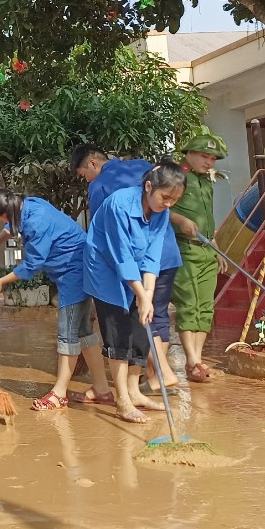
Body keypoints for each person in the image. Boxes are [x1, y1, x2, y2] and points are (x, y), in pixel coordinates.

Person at [0, 189, 112, 411]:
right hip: (73, 269)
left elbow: (32, 265)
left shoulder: (37, 222)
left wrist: (1, 282)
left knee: (67, 333)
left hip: (74, 271)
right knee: (82, 333)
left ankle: (59, 394)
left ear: (6, 212)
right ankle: (102, 389)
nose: (1, 223)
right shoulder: (28, 203)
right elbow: (12, 225)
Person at [71, 143, 183, 391]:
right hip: (106, 271)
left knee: (140, 332)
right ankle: (122, 399)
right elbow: (122, 255)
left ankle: (135, 393)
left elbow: (152, 258)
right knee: (118, 333)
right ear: (148, 186)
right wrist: (141, 294)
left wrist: (148, 296)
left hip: (135, 270)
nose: (168, 204)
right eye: (165, 198)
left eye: (174, 200)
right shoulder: (118, 204)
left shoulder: (160, 210)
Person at [169, 129, 230, 384]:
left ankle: (198, 359)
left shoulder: (207, 180)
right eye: (204, 156)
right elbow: (159, 207)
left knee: (205, 307)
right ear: (190, 154)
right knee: (189, 305)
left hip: (206, 248)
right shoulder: (175, 176)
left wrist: (216, 249)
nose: (209, 162)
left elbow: (207, 218)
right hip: (184, 247)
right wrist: (181, 219)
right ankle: (192, 361)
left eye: (213, 158)